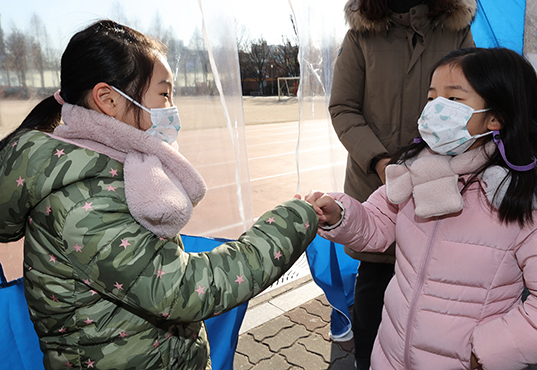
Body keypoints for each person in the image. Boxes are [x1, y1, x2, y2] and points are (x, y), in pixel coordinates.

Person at [0, 20, 317, 370]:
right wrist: (293, 221)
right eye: (164, 94)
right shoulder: (83, 201)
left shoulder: (111, 164)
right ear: (108, 99)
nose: (171, 106)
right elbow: (186, 289)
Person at [308, 47, 537, 370]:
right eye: (432, 99)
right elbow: (375, 223)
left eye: (454, 100)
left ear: (496, 116)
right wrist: (340, 214)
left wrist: (484, 351)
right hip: (389, 357)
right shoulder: (414, 171)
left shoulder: (522, 199)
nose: (435, 110)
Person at [328, 0, 476, 367]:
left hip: (440, 180)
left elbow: (474, 98)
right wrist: (379, 161)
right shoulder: (361, 36)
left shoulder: (455, 28)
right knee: (375, 281)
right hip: (375, 183)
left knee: (435, 281)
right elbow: (343, 107)